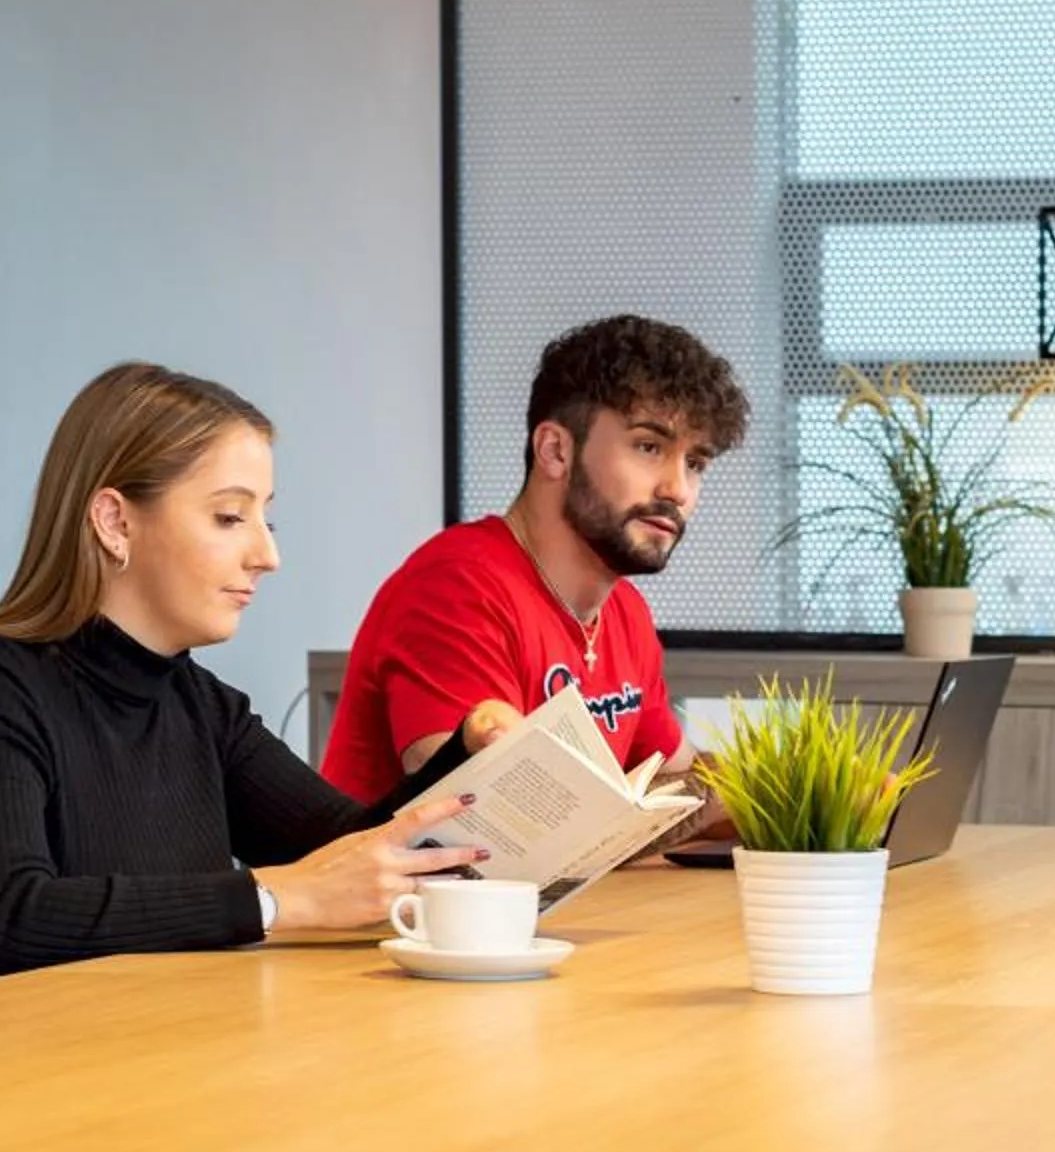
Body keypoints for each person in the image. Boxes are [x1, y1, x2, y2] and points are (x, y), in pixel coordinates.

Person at [0, 363, 509, 1005]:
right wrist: (277, 898)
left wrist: (469, 756)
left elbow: (345, 851)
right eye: (229, 517)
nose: (267, 555)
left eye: (264, 519)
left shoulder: (201, 704)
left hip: (118, 1065)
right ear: (115, 521)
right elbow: (9, 921)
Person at [320, 314, 751, 801]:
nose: (677, 490)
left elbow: (675, 778)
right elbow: (492, 816)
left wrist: (813, 795)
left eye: (695, 464)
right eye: (648, 446)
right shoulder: (456, 587)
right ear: (555, 451)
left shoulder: (625, 613)